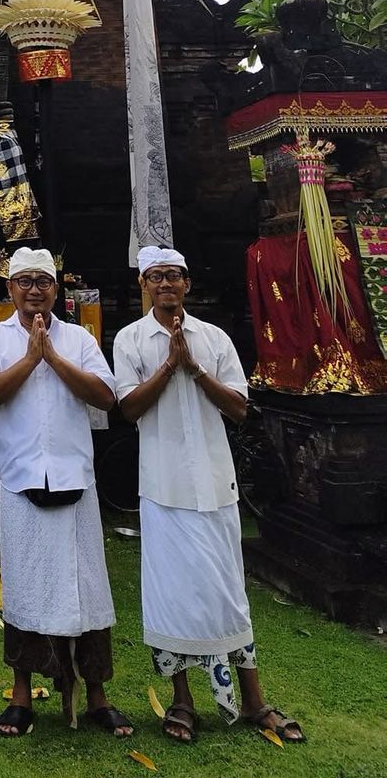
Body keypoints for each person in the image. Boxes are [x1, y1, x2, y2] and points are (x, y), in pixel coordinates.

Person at [113, 245, 305, 746]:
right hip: (163, 488)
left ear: (188, 284)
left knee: (229, 593)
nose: (166, 284)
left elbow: (239, 408)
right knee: (171, 595)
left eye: (174, 276)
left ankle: (254, 700)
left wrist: (195, 369)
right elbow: (129, 409)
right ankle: (182, 700)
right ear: (144, 286)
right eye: (155, 277)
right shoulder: (131, 340)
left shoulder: (214, 338)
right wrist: (168, 367)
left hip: (217, 487)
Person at [0, 246, 132, 739]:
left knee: (89, 592)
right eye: (25, 282)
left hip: (74, 482)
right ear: (10, 289)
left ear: (55, 291)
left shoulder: (78, 338)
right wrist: (29, 358)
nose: (34, 290)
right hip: (22, 482)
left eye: (43, 282)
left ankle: (97, 693)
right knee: (24, 589)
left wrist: (52, 356)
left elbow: (106, 397)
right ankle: (21, 694)